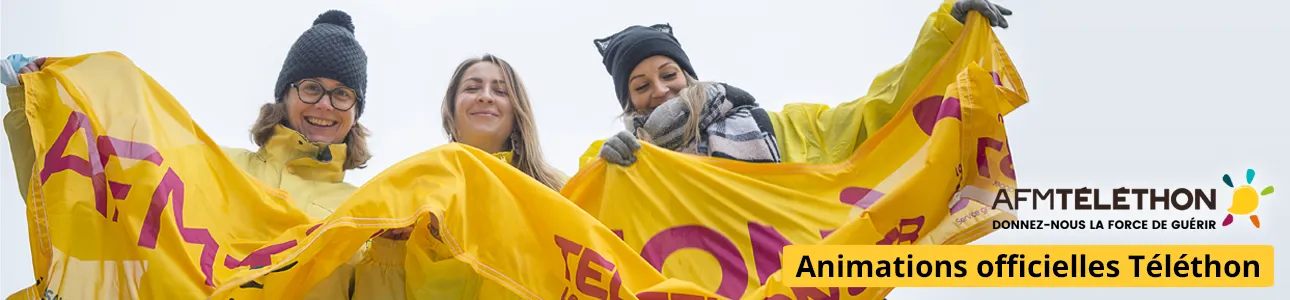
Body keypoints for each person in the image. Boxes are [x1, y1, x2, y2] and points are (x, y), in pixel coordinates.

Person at [3, 10, 405, 300]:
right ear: (284, 94)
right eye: (311, 88)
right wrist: (40, 110)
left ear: (355, 112)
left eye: (342, 94)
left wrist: (391, 252)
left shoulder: (366, 209)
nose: (325, 105)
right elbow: (93, 201)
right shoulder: (214, 167)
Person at [591, 0, 1013, 166]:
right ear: (628, 101)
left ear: (688, 76)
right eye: (641, 85)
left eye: (669, 74)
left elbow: (880, 110)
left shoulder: (779, 129)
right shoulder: (622, 161)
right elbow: (576, 227)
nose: (660, 90)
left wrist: (947, 35)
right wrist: (610, 173)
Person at [441, 54, 568, 191]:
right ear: (451, 108)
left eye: (501, 91)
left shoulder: (558, 189)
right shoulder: (427, 177)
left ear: (517, 114)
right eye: (472, 88)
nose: (486, 97)